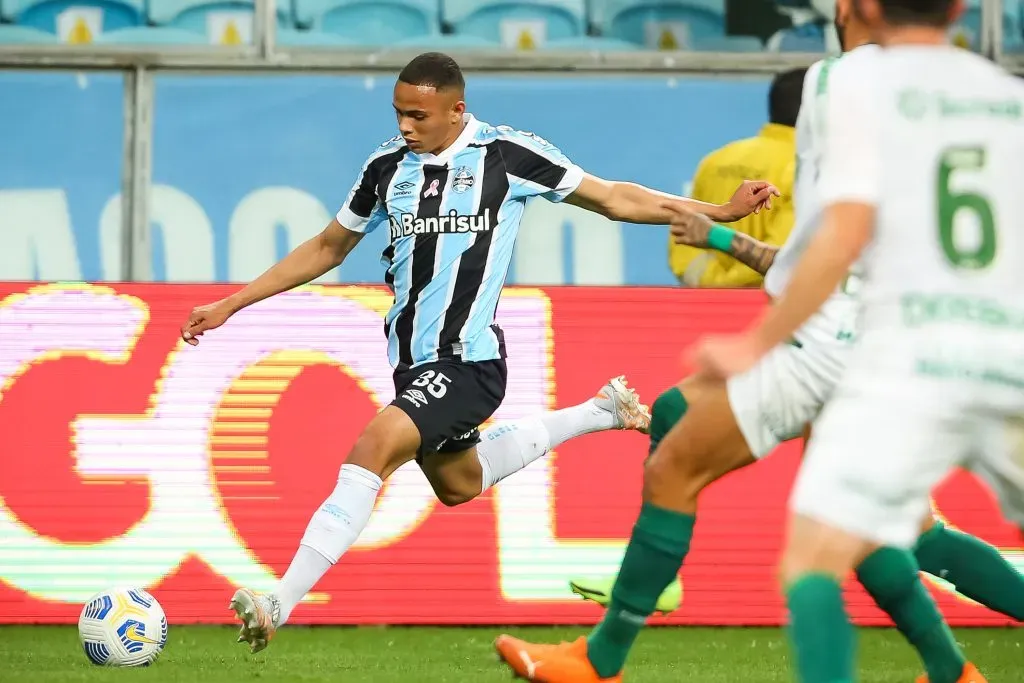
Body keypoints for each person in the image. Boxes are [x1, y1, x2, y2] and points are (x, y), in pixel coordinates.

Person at [178, 51, 779, 654]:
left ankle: (280, 600)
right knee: (459, 484)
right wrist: (233, 303)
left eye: (418, 115)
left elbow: (614, 198)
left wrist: (718, 214)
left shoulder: (508, 155)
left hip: (468, 360)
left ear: (456, 109)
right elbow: (329, 246)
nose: (405, 126)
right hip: (411, 361)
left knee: (372, 448)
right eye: (398, 113)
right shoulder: (386, 165)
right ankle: (601, 411)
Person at [495, 1, 1023, 680]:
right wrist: (719, 235)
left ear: (850, 7)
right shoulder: (1001, 97)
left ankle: (603, 655)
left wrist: (760, 338)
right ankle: (952, 672)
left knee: (680, 459)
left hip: (841, 337)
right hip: (936, 347)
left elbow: (839, 238)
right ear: (958, 9)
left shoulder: (843, 82)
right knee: (888, 529)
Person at [670, 67, 803, 288]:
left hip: (705, 308)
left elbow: (683, 234)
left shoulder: (714, 160)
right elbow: (786, 257)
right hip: (769, 307)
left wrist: (714, 285)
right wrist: (735, 286)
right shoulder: (806, 168)